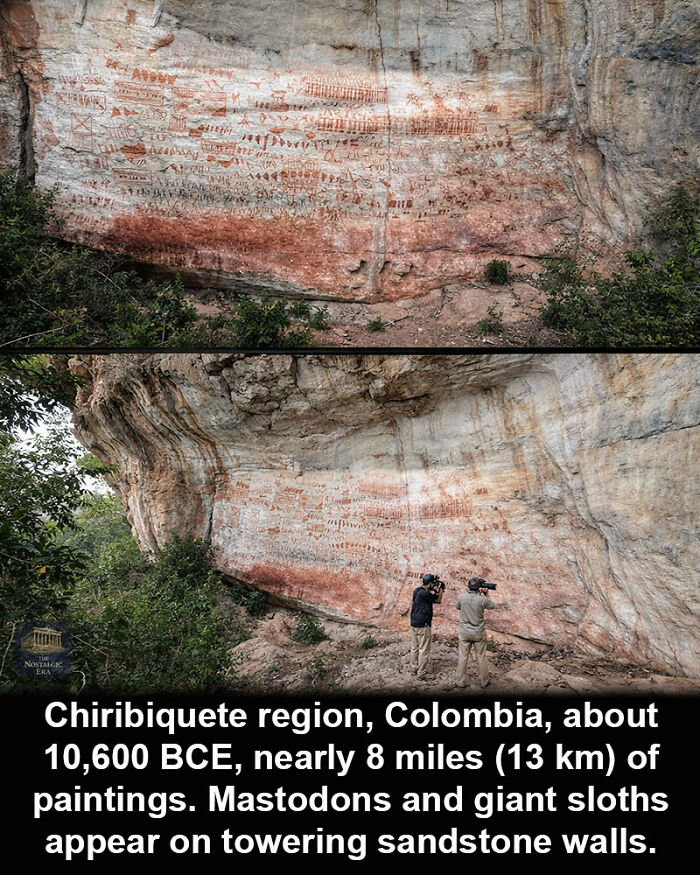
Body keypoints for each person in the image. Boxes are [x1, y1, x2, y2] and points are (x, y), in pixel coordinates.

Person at [455, 577, 495, 688]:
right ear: (479, 588)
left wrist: (466, 593)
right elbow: (492, 605)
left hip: (464, 632)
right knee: (481, 656)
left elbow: (457, 607)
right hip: (478, 632)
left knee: (463, 657)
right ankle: (484, 681)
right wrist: (486, 594)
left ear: (468, 587)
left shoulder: (461, 597)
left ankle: (460, 681)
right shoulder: (481, 599)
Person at [410, 573, 444, 681]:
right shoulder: (425, 594)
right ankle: (422, 673)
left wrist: (433, 589)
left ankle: (413, 668)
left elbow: (428, 595)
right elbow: (438, 600)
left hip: (414, 623)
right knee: (424, 650)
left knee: (415, 647)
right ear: (430, 583)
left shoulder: (417, 591)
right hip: (423, 625)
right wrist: (441, 590)